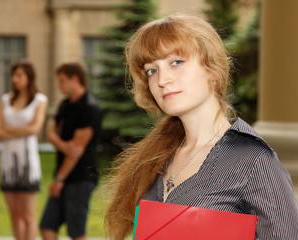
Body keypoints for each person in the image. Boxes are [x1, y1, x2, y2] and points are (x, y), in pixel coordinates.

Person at [104, 14, 298, 240]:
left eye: (176, 62)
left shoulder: (253, 161)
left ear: (211, 70)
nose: (162, 80)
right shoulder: (155, 157)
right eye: (151, 70)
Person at [39, 62, 102, 240]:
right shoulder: (65, 105)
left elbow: (76, 151)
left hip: (81, 178)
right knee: (47, 227)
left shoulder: (90, 108)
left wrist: (59, 179)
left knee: (76, 232)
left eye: (62, 81)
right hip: (63, 175)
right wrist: (64, 145)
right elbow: (50, 133)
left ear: (75, 79)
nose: (59, 86)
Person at [0, 60, 48, 240]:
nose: (15, 79)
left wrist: (8, 129)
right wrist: (21, 130)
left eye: (20, 75)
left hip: (27, 163)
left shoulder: (40, 100)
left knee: (28, 216)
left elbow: (34, 129)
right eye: (14, 75)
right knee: (14, 216)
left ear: (29, 77)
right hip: (8, 163)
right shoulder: (6, 99)